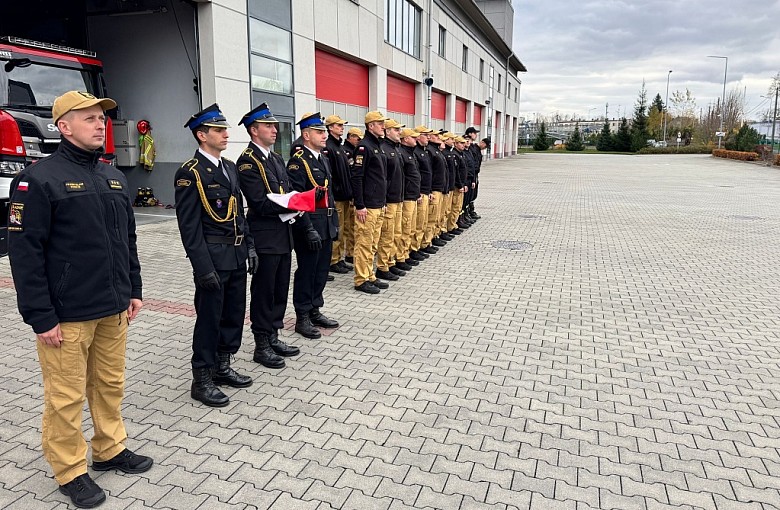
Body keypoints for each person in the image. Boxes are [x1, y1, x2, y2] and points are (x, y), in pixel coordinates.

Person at [8, 90, 152, 508]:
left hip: (113, 308)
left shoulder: (113, 176)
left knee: (109, 385)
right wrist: (40, 315)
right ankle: (70, 470)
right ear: (64, 126)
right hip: (66, 315)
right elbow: (25, 253)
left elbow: (128, 239)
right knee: (65, 395)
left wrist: (134, 289)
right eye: (88, 118)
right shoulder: (38, 179)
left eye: (101, 118)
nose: (99, 124)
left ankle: (109, 448)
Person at [174, 103, 255, 408]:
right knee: (209, 318)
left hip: (234, 254)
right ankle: (202, 378)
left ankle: (223, 366)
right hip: (213, 258)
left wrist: (249, 246)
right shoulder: (190, 173)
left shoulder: (230, 167)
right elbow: (189, 227)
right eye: (219, 130)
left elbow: (239, 214)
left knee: (233, 314)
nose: (226, 134)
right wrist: (202, 267)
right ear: (201, 134)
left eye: (225, 129)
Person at [236, 103, 300, 370]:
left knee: (279, 290)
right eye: (268, 126)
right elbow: (260, 202)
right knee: (264, 292)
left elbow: (287, 188)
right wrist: (293, 202)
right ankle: (261, 344)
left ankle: (273, 335)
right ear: (254, 130)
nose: (275, 130)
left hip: (283, 234)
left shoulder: (274, 159)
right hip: (264, 236)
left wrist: (298, 199)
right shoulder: (248, 161)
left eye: (274, 126)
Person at [287, 112, 340, 339]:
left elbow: (329, 193)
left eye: (324, 131)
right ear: (306, 135)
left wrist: (334, 222)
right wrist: (307, 228)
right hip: (311, 224)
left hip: (325, 222)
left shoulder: (322, 158)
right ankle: (302, 316)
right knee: (307, 271)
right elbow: (297, 197)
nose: (324, 135)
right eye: (319, 132)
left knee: (321, 271)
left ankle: (315, 309)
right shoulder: (298, 162)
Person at [351, 111, 390, 294]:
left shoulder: (378, 146)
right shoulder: (364, 147)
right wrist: (360, 205)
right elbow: (357, 178)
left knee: (373, 243)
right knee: (364, 243)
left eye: (383, 123)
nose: (383, 126)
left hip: (378, 203)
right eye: (379, 123)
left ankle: (369, 275)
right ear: (370, 126)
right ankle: (360, 280)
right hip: (367, 206)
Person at [323, 114, 354, 275]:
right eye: (338, 125)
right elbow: (330, 175)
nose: (341, 127)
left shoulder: (340, 147)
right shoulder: (328, 147)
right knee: (338, 229)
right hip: (337, 196)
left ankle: (340, 258)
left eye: (342, 125)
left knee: (345, 229)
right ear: (330, 128)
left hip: (345, 195)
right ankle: (333, 260)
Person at [376, 118, 406, 281]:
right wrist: (385, 201)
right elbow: (383, 178)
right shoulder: (384, 149)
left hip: (398, 199)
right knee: (387, 235)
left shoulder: (395, 149)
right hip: (389, 200)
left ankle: (390, 262)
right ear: (387, 131)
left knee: (395, 233)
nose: (399, 133)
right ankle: (382, 267)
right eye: (396, 130)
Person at [397, 127, 422, 270]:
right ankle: (400, 257)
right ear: (406, 139)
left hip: (412, 195)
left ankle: (406, 254)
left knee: (410, 228)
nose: (416, 139)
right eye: (413, 137)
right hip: (406, 196)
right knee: (404, 229)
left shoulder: (410, 154)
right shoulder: (402, 153)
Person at [411, 125, 434, 260]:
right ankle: (413, 249)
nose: (429, 137)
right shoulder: (415, 152)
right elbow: (415, 175)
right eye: (426, 135)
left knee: (423, 222)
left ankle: (419, 246)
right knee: (416, 224)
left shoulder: (424, 152)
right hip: (418, 193)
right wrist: (418, 192)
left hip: (426, 191)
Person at [341, 127, 363, 264]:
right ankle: (341, 256)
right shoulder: (344, 150)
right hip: (344, 193)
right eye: (357, 138)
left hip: (351, 194)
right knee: (344, 228)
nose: (359, 141)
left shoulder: (353, 151)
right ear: (350, 137)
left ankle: (350, 253)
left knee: (351, 227)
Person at [426, 129, 448, 251]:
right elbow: (428, 173)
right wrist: (429, 190)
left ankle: (434, 236)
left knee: (436, 216)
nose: (439, 137)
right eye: (436, 135)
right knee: (431, 217)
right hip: (434, 189)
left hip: (440, 188)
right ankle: (427, 241)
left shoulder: (436, 151)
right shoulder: (430, 151)